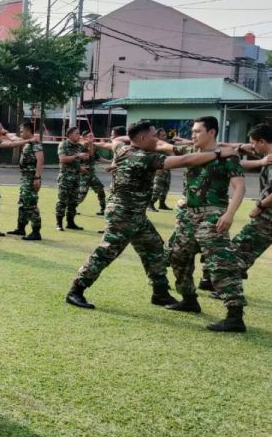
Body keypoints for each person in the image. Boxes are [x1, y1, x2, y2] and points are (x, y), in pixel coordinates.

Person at [65, 120, 238, 311]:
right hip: (123, 215)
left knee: (154, 249)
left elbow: (118, 139)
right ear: (142, 138)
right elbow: (185, 161)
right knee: (106, 252)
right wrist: (217, 153)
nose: (157, 140)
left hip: (136, 215)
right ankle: (76, 290)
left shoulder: (122, 148)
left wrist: (132, 135)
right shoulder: (144, 158)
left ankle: (160, 292)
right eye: (153, 136)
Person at [165, 116, 248, 332]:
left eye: (197, 131)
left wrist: (229, 214)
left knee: (220, 263)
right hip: (188, 216)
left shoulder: (228, 156)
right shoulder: (192, 153)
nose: (193, 135)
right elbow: (162, 148)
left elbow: (240, 187)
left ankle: (235, 315)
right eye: (192, 131)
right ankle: (189, 299)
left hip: (212, 215)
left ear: (211, 132)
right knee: (178, 257)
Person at [227, 124, 272, 283]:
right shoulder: (266, 156)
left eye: (253, 142)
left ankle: (229, 287)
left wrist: (260, 206)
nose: (252, 146)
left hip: (268, 216)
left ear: (262, 142)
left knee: (240, 249)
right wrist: (242, 149)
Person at [7, 121, 44, 240]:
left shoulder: (35, 143)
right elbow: (13, 138)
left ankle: (36, 231)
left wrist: (37, 178)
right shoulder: (28, 142)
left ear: (28, 130)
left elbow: (40, 160)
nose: (21, 133)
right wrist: (5, 132)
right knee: (23, 203)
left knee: (30, 204)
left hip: (31, 178)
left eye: (22, 131)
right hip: (25, 178)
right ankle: (21, 228)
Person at [55, 126, 90, 231]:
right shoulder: (63, 144)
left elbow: (90, 154)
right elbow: (62, 159)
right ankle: (59, 223)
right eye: (76, 133)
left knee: (73, 202)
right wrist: (78, 156)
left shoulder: (79, 146)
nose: (79, 135)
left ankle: (70, 223)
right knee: (62, 201)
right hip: (65, 178)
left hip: (76, 178)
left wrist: (90, 143)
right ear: (69, 134)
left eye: (79, 133)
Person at [76, 131, 107, 216]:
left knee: (100, 190)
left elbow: (98, 158)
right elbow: (90, 154)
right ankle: (71, 208)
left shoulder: (93, 146)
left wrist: (110, 161)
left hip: (91, 174)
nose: (92, 137)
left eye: (92, 136)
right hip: (83, 174)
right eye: (90, 136)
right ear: (84, 137)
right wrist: (90, 144)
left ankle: (103, 210)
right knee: (82, 194)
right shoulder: (80, 147)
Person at [149, 128, 173, 211]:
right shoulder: (155, 145)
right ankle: (150, 204)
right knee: (157, 188)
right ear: (158, 136)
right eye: (163, 135)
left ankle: (162, 204)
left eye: (165, 135)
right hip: (159, 169)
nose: (165, 137)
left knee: (166, 187)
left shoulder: (167, 144)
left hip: (167, 169)